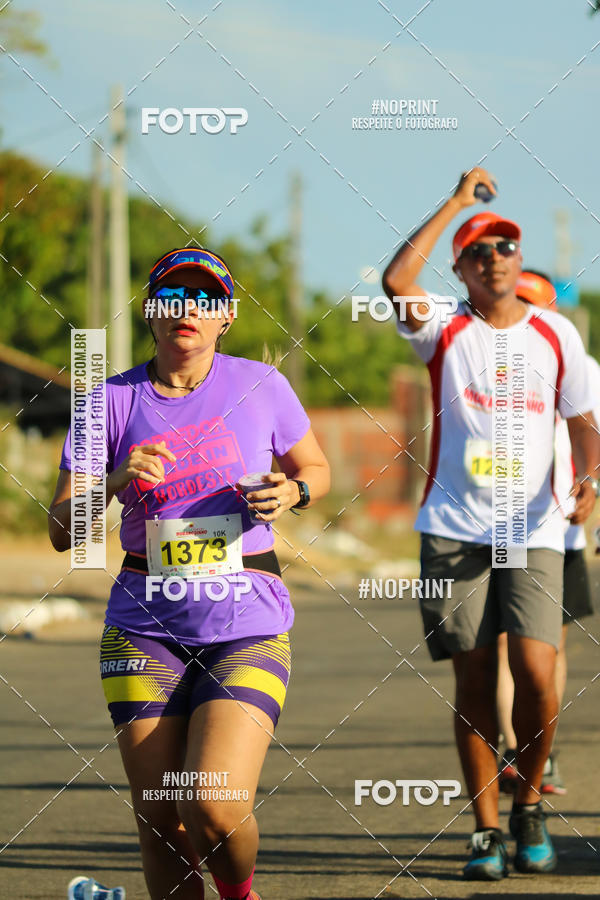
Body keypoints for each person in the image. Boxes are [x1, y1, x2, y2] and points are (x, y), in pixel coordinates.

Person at [48, 247, 331, 900]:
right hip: (143, 630)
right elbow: (61, 530)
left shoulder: (262, 385)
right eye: (173, 296)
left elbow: (315, 469)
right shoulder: (107, 401)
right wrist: (114, 481)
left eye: (205, 299)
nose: (188, 309)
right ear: (150, 310)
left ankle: (240, 895)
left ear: (226, 316)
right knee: (162, 822)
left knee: (214, 804)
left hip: (246, 624)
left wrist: (293, 492)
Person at [381, 169, 600, 881]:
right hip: (455, 527)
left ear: (518, 257)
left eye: (504, 247)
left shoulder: (556, 333)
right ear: (461, 269)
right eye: (478, 251)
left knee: (537, 672)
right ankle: (484, 831)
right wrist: (456, 202)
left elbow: (582, 420)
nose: (494, 258)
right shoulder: (444, 330)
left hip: (535, 528)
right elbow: (395, 280)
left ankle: (529, 806)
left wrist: (590, 476)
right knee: (475, 680)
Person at [496, 271, 600, 796]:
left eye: (534, 305)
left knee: (548, 648)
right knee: (507, 646)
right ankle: (516, 749)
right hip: (509, 524)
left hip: (566, 530)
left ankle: (541, 751)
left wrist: (591, 490)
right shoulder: (488, 358)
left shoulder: (581, 367)